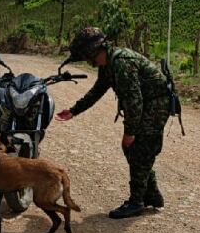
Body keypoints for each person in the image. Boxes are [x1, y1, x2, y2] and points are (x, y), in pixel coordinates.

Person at [55, 26, 170, 219]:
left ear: (91, 52)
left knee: (139, 149)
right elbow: (97, 90)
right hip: (148, 106)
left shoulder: (121, 63)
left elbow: (134, 101)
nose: (86, 61)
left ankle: (137, 202)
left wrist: (130, 132)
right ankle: (152, 195)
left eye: (84, 56)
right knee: (135, 150)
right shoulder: (108, 63)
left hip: (155, 106)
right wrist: (74, 110)